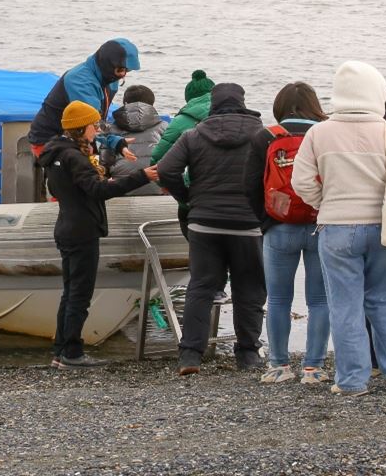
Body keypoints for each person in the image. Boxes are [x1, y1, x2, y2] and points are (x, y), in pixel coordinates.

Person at [291, 61, 386, 397]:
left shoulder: (318, 133)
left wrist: (325, 202)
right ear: (376, 92)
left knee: (345, 304)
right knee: (385, 299)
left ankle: (352, 380)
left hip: (336, 226)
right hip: (384, 227)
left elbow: (301, 182)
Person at [156, 83, 267, 376]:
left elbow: (165, 170)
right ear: (242, 103)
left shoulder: (193, 135)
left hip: (204, 223)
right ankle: (248, 353)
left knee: (202, 286)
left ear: (213, 105)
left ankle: (190, 355)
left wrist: (187, 198)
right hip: (248, 224)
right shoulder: (261, 135)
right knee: (249, 287)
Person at [39, 101, 157, 368]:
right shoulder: (74, 157)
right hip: (82, 232)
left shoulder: (56, 153)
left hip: (66, 227)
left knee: (70, 293)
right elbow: (98, 191)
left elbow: (68, 189)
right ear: (81, 129)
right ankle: (72, 353)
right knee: (80, 295)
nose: (97, 129)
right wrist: (141, 177)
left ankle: (61, 352)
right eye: (93, 125)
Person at [243, 82, 330, 385]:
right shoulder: (325, 133)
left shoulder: (266, 136)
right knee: (319, 300)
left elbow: (250, 184)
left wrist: (266, 221)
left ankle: (278, 365)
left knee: (279, 299)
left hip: (279, 227)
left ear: (279, 106)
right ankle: (314, 367)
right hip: (321, 225)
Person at [28, 39, 141, 159]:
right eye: (120, 70)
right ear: (107, 65)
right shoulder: (80, 82)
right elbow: (92, 122)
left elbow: (97, 121)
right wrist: (115, 142)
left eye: (127, 70)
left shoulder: (111, 78)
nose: (123, 75)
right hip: (50, 140)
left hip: (81, 136)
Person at [150, 69, 216, 235]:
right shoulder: (242, 119)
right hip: (240, 200)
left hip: (196, 196)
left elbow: (158, 160)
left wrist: (166, 185)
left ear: (189, 98)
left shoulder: (182, 121)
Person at [101, 85, 167, 196]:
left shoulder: (110, 130)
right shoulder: (165, 127)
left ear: (125, 103)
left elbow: (103, 166)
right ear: (151, 105)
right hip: (158, 191)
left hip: (121, 191)